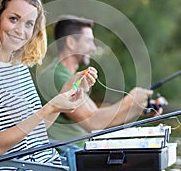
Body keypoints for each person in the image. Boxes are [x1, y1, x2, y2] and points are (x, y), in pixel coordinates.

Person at [0, 0, 97, 170]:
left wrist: (65, 94)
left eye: (29, 24)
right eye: (13, 19)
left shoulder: (19, 67)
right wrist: (48, 108)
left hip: (53, 164)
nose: (20, 30)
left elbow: (34, 132)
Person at [38, 14, 162, 170]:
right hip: (67, 157)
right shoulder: (57, 76)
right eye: (88, 41)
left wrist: (136, 108)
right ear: (70, 42)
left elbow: (98, 116)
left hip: (80, 153)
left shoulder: (68, 76)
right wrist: (130, 99)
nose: (93, 47)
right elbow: (93, 123)